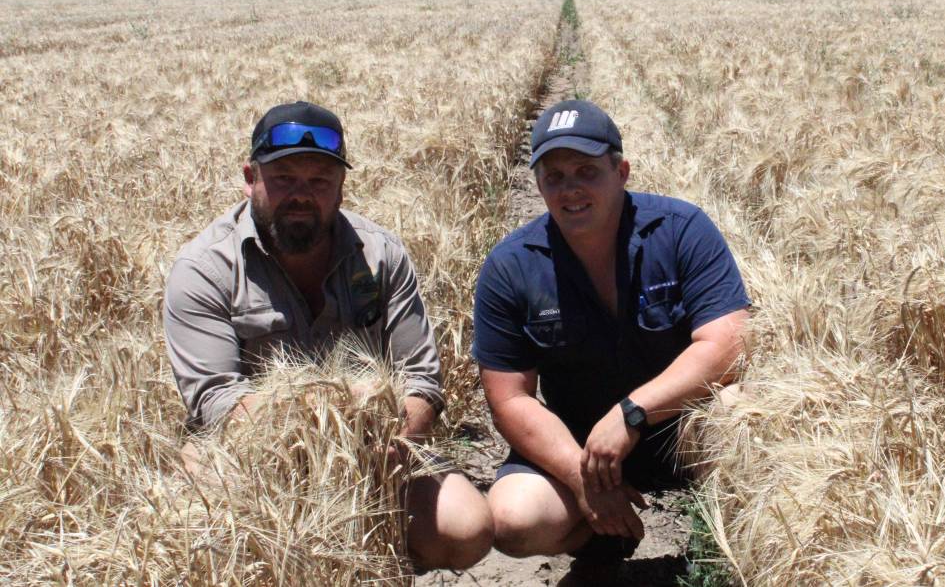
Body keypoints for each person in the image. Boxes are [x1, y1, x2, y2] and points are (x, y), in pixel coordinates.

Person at [163, 101, 493, 571]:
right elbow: (217, 400)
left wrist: (382, 448)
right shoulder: (204, 270)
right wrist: (328, 430)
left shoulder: (382, 255)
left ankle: (378, 570)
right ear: (250, 176)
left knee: (466, 527)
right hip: (248, 450)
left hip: (380, 441)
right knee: (208, 516)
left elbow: (421, 380)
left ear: (341, 186)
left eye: (319, 180)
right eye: (283, 179)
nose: (302, 195)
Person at [473, 99, 750, 579]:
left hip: (682, 430)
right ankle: (604, 536)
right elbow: (509, 399)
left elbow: (728, 342)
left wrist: (632, 413)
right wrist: (582, 477)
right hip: (581, 445)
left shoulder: (682, 231)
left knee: (742, 411)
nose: (570, 189)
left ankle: (733, 553)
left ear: (621, 171)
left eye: (586, 171)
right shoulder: (511, 266)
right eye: (554, 176)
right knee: (514, 519)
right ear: (537, 183)